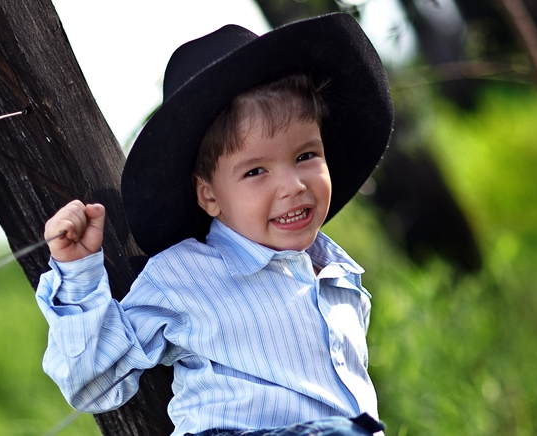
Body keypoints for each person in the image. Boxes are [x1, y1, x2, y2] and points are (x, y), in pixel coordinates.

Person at [36, 13, 394, 436]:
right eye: (255, 171)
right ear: (209, 196)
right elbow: (94, 383)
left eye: (305, 156)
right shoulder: (187, 273)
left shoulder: (338, 275)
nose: (293, 186)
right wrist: (77, 274)